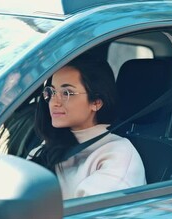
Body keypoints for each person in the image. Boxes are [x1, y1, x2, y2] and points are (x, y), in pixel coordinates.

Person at [27, 58, 146, 199]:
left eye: (67, 93)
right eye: (51, 92)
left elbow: (90, 216)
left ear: (96, 102)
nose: (54, 102)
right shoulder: (50, 144)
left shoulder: (118, 154)